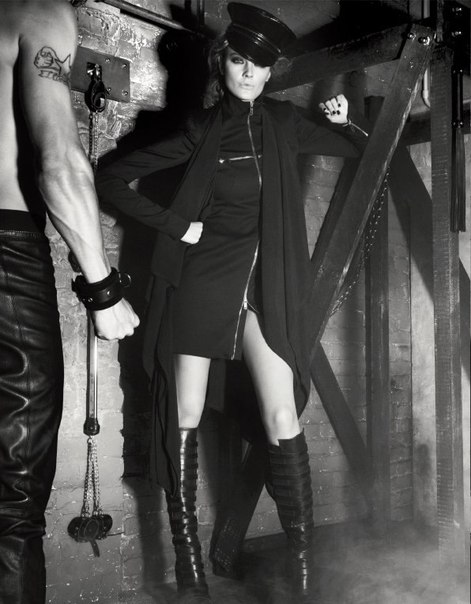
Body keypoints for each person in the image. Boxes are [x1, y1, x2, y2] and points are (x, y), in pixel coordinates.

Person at [96, 3, 369, 602]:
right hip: (202, 287)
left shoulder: (283, 123)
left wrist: (348, 122)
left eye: (260, 65)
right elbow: (109, 178)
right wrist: (177, 226)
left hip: (265, 293)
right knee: (185, 416)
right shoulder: (200, 129)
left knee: (283, 417)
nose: (249, 73)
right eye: (240, 60)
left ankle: (302, 579)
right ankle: (191, 575)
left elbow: (356, 150)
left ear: (270, 72)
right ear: (224, 63)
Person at [0, 1, 140, 603]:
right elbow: (59, 164)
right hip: (6, 252)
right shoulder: (37, 9)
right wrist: (104, 291)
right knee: (11, 509)